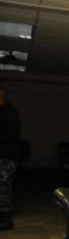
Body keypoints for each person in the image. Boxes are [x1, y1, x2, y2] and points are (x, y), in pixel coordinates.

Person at [0, 89, 21, 230]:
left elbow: (7, 135)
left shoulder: (7, 114)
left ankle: (5, 221)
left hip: (5, 157)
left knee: (3, 189)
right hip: (5, 156)